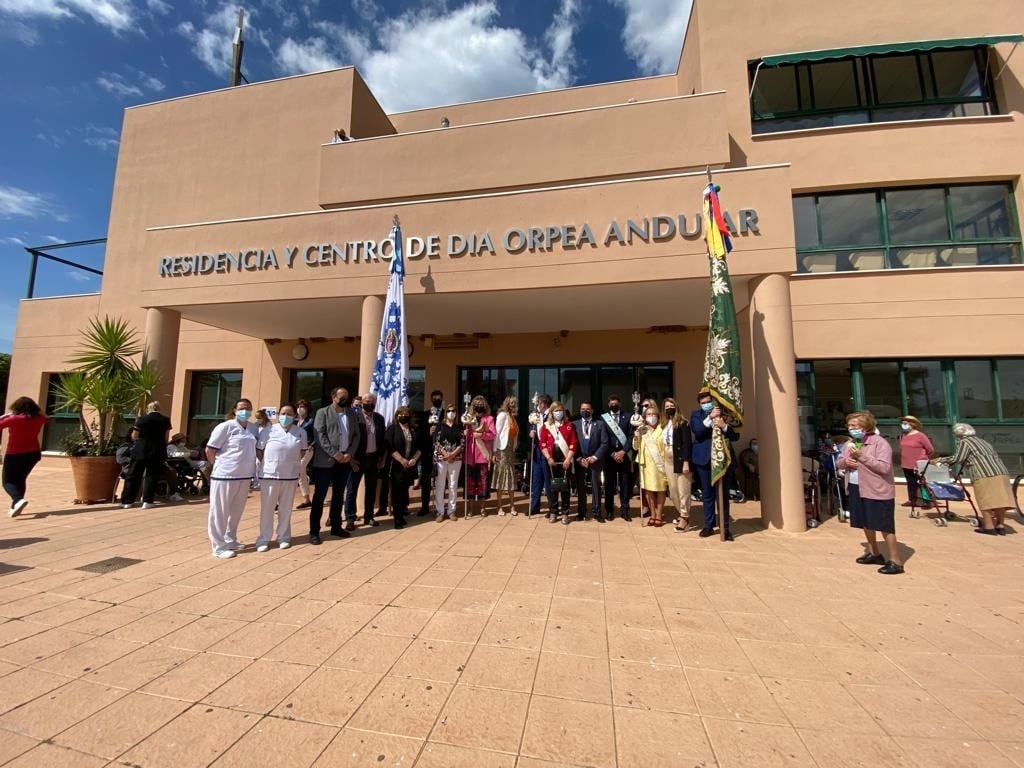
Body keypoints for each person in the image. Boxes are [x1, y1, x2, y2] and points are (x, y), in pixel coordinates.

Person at [837, 411, 903, 574]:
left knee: (884, 525)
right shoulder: (850, 444)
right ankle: (874, 553)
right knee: (866, 522)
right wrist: (846, 462)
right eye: (850, 425)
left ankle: (895, 560)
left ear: (866, 427)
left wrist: (862, 457)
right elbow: (839, 463)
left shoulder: (879, 443)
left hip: (876, 490)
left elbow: (884, 467)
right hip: (855, 487)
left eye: (855, 425)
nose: (852, 428)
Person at [935, 423, 1015, 535]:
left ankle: (989, 527)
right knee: (999, 500)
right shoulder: (984, 442)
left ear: (959, 433)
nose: (954, 435)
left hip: (983, 473)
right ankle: (1000, 526)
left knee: (985, 500)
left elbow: (958, 458)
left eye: (955, 433)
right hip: (1001, 472)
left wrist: (939, 460)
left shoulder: (965, 442)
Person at [205, 398, 259, 558]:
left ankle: (230, 538)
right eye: (242, 408)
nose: (245, 411)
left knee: (236, 511)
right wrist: (219, 465)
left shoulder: (253, 428)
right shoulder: (225, 427)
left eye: (248, 408)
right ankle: (218, 546)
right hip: (224, 476)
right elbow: (210, 450)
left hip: (244, 476)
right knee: (220, 511)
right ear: (234, 410)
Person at [309, 387, 362, 545]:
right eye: (342, 397)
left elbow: (356, 435)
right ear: (333, 397)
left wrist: (349, 454)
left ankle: (336, 526)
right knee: (320, 496)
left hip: (345, 461)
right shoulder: (322, 412)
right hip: (326, 462)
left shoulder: (351, 414)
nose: (345, 399)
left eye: (347, 397)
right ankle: (314, 531)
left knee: (339, 495)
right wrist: (335, 453)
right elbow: (320, 435)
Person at [256, 404, 308, 551]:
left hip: (290, 475)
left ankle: (284, 537)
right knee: (267, 508)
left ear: (295, 416)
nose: (286, 416)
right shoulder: (268, 430)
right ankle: (263, 539)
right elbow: (259, 451)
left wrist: (290, 462)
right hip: (270, 475)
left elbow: (302, 451)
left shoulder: (300, 432)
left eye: (289, 413)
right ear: (279, 415)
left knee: (286, 508)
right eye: (283, 413)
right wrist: (270, 463)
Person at [690, 392, 738, 540]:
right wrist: (710, 417)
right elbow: (697, 431)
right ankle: (708, 525)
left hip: (723, 460)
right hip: (704, 460)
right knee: (707, 494)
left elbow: (735, 436)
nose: (707, 404)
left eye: (709, 401)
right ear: (700, 403)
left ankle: (725, 527)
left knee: (722, 494)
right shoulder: (696, 415)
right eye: (704, 402)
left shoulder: (724, 414)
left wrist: (724, 426)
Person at [0, 396, 48, 517]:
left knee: (8, 481)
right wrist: (37, 410)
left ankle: (18, 500)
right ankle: (15, 506)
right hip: (33, 454)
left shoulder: (14, 419)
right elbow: (46, 417)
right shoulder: (39, 419)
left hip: (15, 454)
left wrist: (3, 416)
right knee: (20, 479)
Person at [121, 401, 173, 509]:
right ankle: (147, 501)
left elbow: (135, 436)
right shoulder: (165, 420)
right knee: (152, 475)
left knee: (133, 474)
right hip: (157, 450)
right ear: (159, 408)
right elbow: (166, 438)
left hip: (141, 449)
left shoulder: (142, 419)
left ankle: (127, 501)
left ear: (148, 409)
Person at [346, 392, 386, 530]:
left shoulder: (380, 419)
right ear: (362, 403)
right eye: (367, 401)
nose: (370, 404)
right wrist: (351, 459)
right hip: (357, 460)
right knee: (352, 489)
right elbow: (349, 439)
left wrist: (381, 457)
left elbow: (382, 440)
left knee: (371, 489)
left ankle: (369, 516)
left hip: (373, 458)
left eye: (372, 401)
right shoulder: (354, 418)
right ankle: (350, 518)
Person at [539, 401, 579, 524]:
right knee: (553, 488)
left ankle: (565, 513)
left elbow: (574, 443)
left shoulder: (569, 425)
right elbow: (542, 444)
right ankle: (553, 511)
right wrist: (548, 458)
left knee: (565, 487)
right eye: (556, 410)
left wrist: (568, 459)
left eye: (560, 410)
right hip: (551, 462)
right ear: (551, 412)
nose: (558, 413)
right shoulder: (546, 426)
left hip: (565, 461)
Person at [384, 405, 421, 529]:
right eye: (401, 414)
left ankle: (402, 514)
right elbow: (389, 447)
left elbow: (420, 447)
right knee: (397, 492)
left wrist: (414, 459)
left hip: (409, 466)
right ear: (396, 416)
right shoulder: (392, 429)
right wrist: (401, 459)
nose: (403, 416)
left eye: (406, 414)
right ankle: (397, 518)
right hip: (396, 466)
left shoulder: (413, 429)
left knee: (404, 491)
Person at [573, 401, 608, 522]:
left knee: (596, 487)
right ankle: (581, 512)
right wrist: (578, 458)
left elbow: (604, 443)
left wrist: (594, 457)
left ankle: (597, 512)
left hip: (595, 461)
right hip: (580, 460)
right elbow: (572, 444)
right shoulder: (574, 424)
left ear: (592, 411)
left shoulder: (600, 424)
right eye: (583, 409)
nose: (585, 411)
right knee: (581, 487)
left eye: (588, 409)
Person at [633, 404, 668, 526]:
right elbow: (636, 447)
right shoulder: (643, 429)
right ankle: (652, 514)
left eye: (653, 414)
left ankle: (659, 514)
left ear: (658, 416)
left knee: (660, 489)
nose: (651, 417)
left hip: (660, 463)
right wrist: (636, 438)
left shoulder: (663, 428)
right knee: (649, 490)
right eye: (648, 414)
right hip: (646, 464)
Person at [661, 398, 693, 531]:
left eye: (671, 405)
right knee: (673, 491)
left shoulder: (683, 423)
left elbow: (687, 444)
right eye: (667, 406)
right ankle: (682, 513)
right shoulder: (664, 424)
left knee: (683, 490)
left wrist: (686, 462)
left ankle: (684, 517)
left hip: (680, 459)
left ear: (676, 406)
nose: (669, 408)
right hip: (668, 459)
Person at [602, 394, 635, 521]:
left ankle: (625, 510)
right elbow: (603, 438)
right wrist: (612, 453)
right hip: (609, 456)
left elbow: (631, 436)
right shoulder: (604, 418)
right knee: (609, 485)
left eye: (615, 403)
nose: (613, 405)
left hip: (624, 455)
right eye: (611, 404)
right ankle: (609, 510)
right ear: (608, 404)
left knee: (625, 484)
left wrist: (623, 451)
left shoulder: (628, 417)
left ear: (619, 404)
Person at [464, 395, 496, 517]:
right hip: (470, 455)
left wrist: (481, 436)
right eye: (476, 405)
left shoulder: (489, 419)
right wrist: (465, 433)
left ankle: (483, 508)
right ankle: (471, 508)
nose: (479, 407)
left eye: (481, 405)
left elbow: (492, 434)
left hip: (482, 455)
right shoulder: (468, 418)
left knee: (483, 483)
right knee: (471, 483)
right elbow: (463, 434)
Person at [433, 403, 464, 521]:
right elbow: (436, 441)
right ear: (446, 413)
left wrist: (453, 454)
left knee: (453, 485)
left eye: (454, 411)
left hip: (455, 459)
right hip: (442, 459)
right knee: (440, 484)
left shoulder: (459, 427)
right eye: (449, 411)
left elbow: (462, 442)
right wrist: (445, 454)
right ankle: (440, 511)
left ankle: (451, 510)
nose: (452, 413)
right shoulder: (440, 426)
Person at [491, 396, 520, 516]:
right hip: (501, 450)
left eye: (515, 404)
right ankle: (499, 506)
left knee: (511, 477)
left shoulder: (512, 417)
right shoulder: (502, 415)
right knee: (501, 476)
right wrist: (494, 451)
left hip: (510, 450)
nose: (513, 406)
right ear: (507, 404)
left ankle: (512, 505)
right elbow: (496, 433)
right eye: (511, 404)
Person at [417, 390, 444, 516]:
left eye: (439, 398)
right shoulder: (425, 415)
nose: (437, 400)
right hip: (428, 452)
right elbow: (419, 433)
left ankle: (440, 506)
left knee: (441, 480)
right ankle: (424, 506)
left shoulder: (446, 414)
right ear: (431, 399)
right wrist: (429, 432)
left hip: (442, 452)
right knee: (426, 480)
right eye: (435, 398)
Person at [898, 415, 934, 508]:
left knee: (923, 482)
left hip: (919, 464)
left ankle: (927, 501)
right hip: (906, 464)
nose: (903, 425)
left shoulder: (920, 436)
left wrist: (922, 458)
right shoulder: (903, 435)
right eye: (902, 423)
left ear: (912, 424)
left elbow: (930, 449)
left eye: (905, 423)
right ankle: (912, 500)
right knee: (911, 483)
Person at [529, 394, 553, 515]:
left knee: (548, 481)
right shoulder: (535, 415)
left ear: (546, 403)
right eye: (538, 403)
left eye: (541, 403)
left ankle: (552, 508)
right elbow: (531, 427)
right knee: (536, 480)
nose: (539, 405)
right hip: (537, 450)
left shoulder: (551, 415)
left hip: (547, 451)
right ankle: (534, 507)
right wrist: (531, 432)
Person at [294, 399, 315, 509]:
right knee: (301, 474)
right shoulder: (294, 421)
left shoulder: (311, 421)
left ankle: (284, 498)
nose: (300, 409)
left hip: (308, 449)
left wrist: (312, 445)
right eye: (299, 406)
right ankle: (306, 499)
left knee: (298, 469)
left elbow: (317, 435)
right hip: (296, 449)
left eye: (303, 406)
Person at [738, 438, 760, 502]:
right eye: (754, 444)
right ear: (750, 445)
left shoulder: (762, 451)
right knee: (753, 474)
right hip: (753, 471)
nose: (756, 445)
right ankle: (754, 495)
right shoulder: (747, 453)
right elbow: (744, 460)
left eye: (757, 444)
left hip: (762, 471)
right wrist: (749, 465)